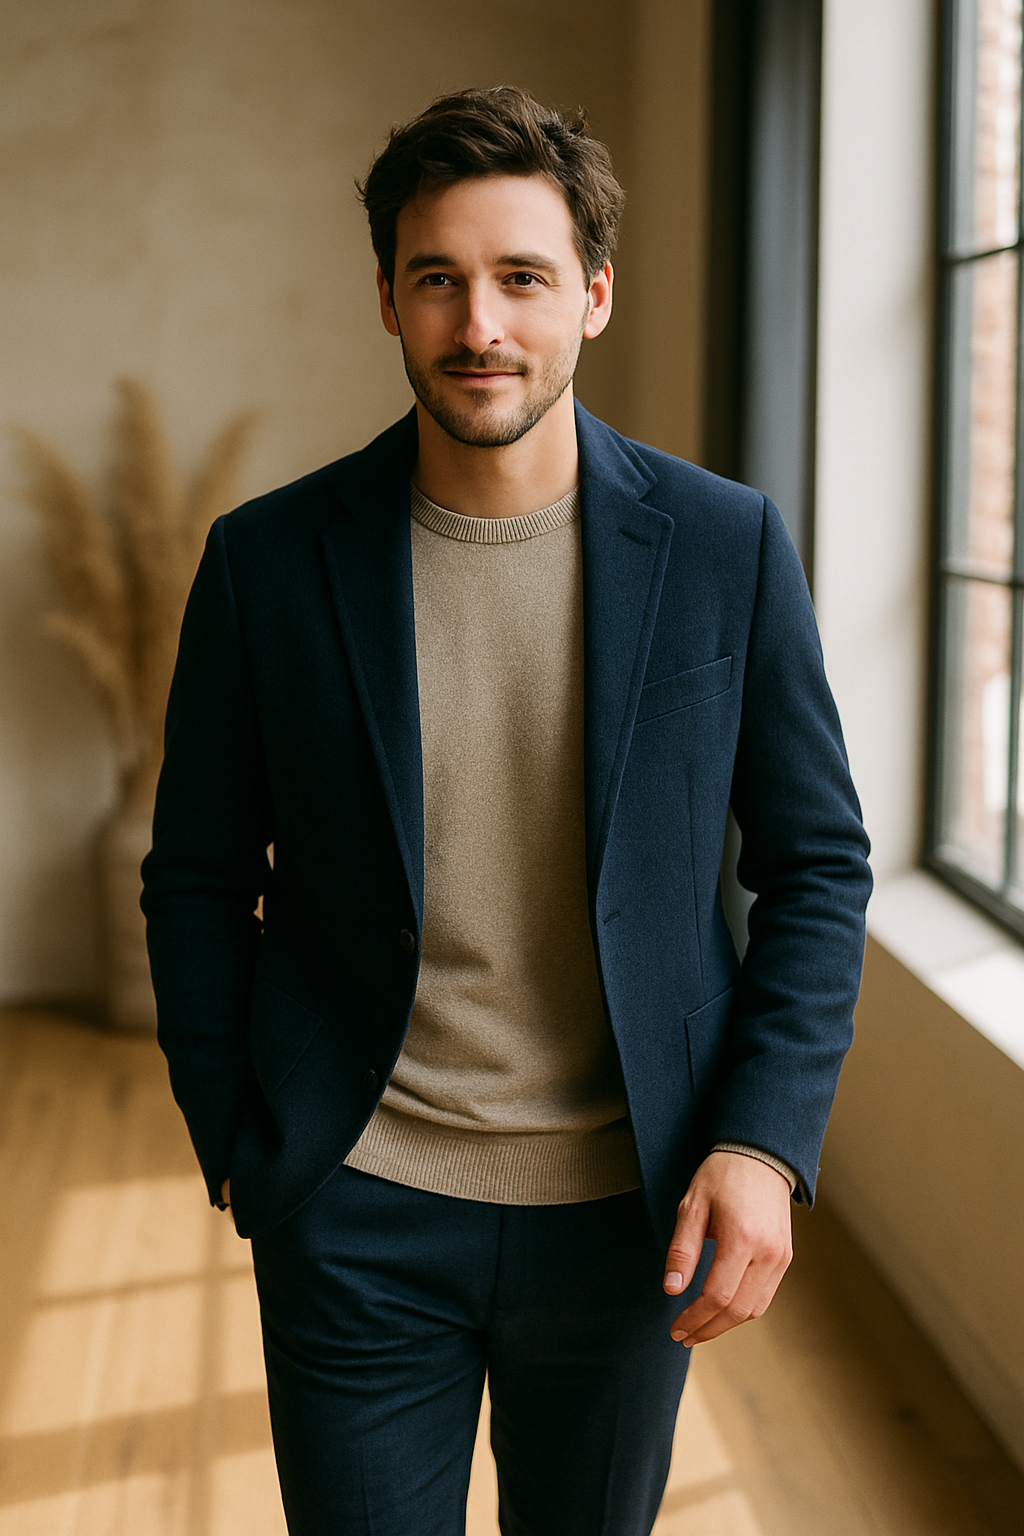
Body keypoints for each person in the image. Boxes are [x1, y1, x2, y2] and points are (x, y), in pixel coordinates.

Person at [142, 85, 871, 1536]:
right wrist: (241, 1136)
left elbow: (819, 864)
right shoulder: (268, 562)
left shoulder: (726, 547)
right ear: (389, 301)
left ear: (593, 296)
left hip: (628, 1215)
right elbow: (199, 876)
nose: (481, 323)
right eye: (440, 281)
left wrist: (761, 1142)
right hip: (353, 1207)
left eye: (523, 278)